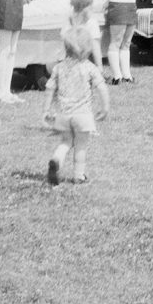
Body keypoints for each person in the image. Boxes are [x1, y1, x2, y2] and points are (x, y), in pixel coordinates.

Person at [43, 25, 111, 185]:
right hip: (83, 115)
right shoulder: (89, 67)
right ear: (88, 49)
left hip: (63, 114)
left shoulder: (59, 67)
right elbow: (102, 87)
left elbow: (49, 87)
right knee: (81, 145)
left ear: (66, 47)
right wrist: (105, 107)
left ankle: (56, 159)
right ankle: (78, 176)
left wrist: (46, 109)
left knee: (65, 142)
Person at [66, 0, 103, 69]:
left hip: (68, 61)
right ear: (88, 6)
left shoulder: (68, 20)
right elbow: (95, 47)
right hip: (84, 61)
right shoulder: (92, 22)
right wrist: (99, 66)